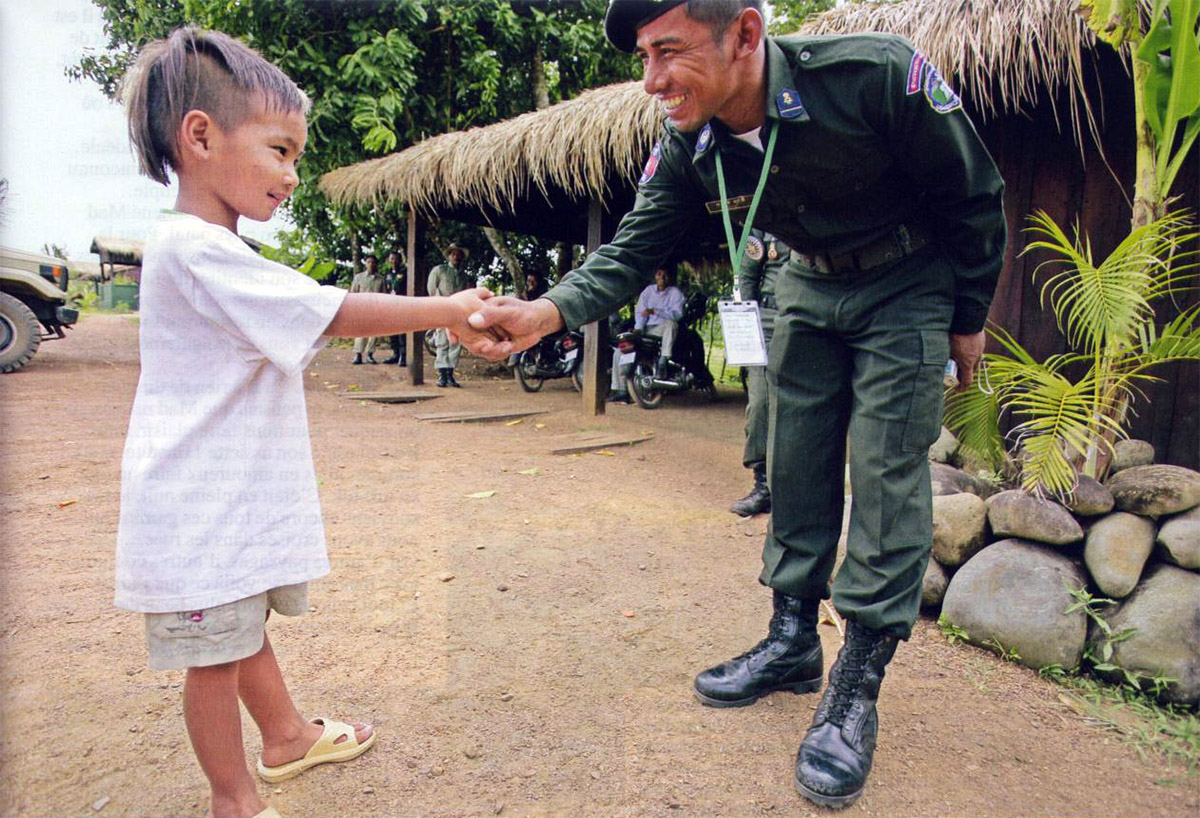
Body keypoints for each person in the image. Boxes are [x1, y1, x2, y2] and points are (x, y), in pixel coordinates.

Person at [464, 0, 1005, 808]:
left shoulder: (875, 76)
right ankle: (792, 641)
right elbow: (635, 245)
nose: (651, 81)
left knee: (888, 474)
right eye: (644, 58)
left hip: (905, 284)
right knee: (794, 458)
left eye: (668, 53)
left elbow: (974, 195)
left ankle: (856, 684)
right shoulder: (690, 140)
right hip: (805, 284)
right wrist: (544, 314)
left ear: (746, 34)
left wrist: (966, 319)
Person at [116, 28, 495, 818]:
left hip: (220, 499)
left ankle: (285, 735)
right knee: (213, 660)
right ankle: (235, 802)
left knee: (240, 622)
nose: (292, 175)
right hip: (195, 509)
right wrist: (448, 309)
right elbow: (331, 311)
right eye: (280, 149)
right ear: (200, 136)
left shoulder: (210, 248)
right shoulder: (195, 249)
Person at [730, 230, 787, 517]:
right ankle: (762, 486)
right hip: (764, 321)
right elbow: (747, 276)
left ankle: (791, 489)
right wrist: (744, 326)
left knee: (799, 407)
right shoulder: (763, 223)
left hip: (807, 320)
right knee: (760, 405)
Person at [608, 265, 684, 402]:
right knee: (619, 352)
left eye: (665, 275)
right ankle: (620, 390)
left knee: (671, 324)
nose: (662, 277)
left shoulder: (675, 293)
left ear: (670, 278)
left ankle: (663, 359)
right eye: (659, 274)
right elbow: (641, 313)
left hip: (664, 329)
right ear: (655, 276)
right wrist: (638, 329)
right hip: (648, 329)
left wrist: (656, 311)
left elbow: (677, 315)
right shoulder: (648, 291)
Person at [427, 244, 471, 387]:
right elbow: (432, 289)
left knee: (455, 342)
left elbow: (466, 293)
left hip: (458, 311)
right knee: (442, 341)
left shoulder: (464, 276)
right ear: (449, 256)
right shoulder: (439, 270)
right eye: (453, 254)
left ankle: (450, 374)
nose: (456, 257)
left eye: (459, 255)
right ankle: (442, 375)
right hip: (442, 308)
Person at [349, 254, 386, 364]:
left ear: (376, 264)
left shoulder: (381, 279)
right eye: (369, 262)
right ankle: (358, 354)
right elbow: (353, 293)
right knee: (360, 331)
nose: (371, 264)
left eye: (373, 262)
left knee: (374, 333)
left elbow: (384, 295)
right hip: (362, 308)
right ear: (365, 263)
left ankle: (370, 354)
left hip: (375, 308)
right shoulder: (359, 277)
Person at [381, 249, 408, 366]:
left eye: (396, 259)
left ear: (400, 260)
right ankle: (395, 354)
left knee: (402, 331)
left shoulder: (404, 272)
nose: (394, 261)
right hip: (390, 305)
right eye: (392, 259)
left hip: (401, 304)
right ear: (388, 260)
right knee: (392, 331)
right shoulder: (387, 274)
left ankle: (403, 355)